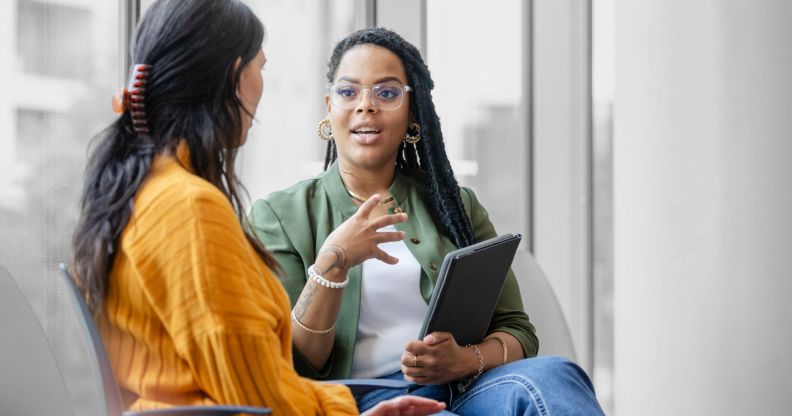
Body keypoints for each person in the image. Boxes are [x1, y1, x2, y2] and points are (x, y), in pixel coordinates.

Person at [68, 1, 446, 415]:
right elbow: (255, 394)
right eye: (261, 68)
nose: (366, 105)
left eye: (387, 92)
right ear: (234, 77)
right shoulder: (190, 209)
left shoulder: (146, 190)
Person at [249, 28, 605, 415]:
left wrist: (464, 361)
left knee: (556, 375)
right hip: (357, 402)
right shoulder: (279, 216)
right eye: (348, 92)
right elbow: (296, 362)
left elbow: (518, 331)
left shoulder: (455, 205)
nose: (365, 105)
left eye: (386, 93)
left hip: (466, 389)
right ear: (328, 108)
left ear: (412, 113)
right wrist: (333, 261)